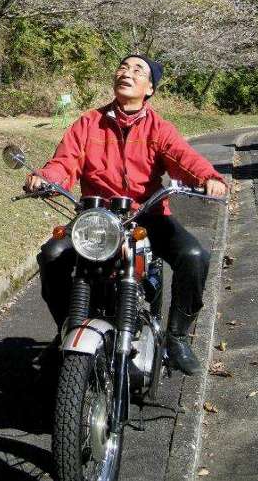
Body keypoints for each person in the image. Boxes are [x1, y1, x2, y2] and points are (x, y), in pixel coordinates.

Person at [25, 55, 227, 375]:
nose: (126, 73)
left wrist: (208, 178)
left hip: (145, 216)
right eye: (122, 67)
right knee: (51, 255)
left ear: (149, 89)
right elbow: (65, 161)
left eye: (137, 71)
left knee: (195, 255)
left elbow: (183, 158)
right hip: (98, 217)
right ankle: (66, 328)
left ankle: (176, 337)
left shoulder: (159, 128)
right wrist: (47, 179)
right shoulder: (88, 123)